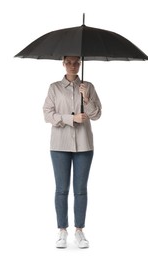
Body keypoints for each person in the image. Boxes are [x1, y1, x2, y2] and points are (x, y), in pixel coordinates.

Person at [43, 56, 102, 248]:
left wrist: (87, 97)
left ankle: (79, 231)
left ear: (81, 63)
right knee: (61, 189)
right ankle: (62, 231)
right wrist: (71, 118)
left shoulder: (88, 86)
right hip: (59, 145)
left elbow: (97, 114)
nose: (73, 65)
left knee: (80, 190)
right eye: (69, 62)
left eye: (77, 62)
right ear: (63, 63)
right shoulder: (54, 87)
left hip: (84, 145)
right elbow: (47, 114)